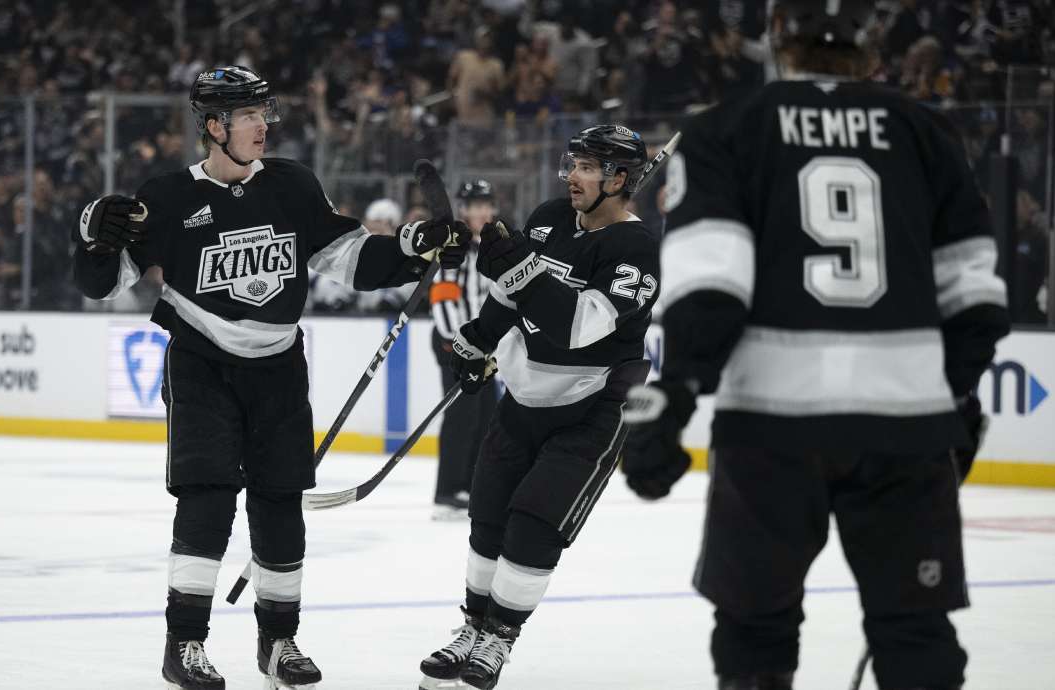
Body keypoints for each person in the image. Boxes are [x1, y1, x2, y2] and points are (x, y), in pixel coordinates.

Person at [622, 2, 1010, 689]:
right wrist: (955, 394)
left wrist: (678, 393)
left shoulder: (725, 129)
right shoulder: (926, 129)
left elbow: (712, 284)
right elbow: (973, 293)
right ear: (869, 47)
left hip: (771, 424)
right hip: (905, 425)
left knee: (754, 627)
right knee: (916, 631)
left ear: (778, 37)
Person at [71, 66, 469, 690]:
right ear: (213, 125)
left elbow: (349, 254)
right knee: (207, 500)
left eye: (264, 112)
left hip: (279, 369)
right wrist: (91, 239)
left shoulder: (291, 184)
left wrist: (415, 245)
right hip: (201, 363)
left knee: (281, 505)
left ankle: (279, 641)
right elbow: (103, 283)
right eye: (249, 114)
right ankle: (186, 645)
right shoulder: (169, 196)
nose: (264, 124)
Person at [417, 125, 659, 690]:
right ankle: (472, 629)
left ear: (619, 179)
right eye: (572, 162)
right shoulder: (550, 217)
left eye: (587, 166)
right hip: (522, 401)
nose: (571, 174)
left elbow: (577, 328)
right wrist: (476, 339)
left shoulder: (636, 249)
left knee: (533, 523)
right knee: (487, 519)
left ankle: (499, 638)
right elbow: (507, 293)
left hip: (590, 410)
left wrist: (522, 269)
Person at [429, 179, 498, 520]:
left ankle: (472, 487)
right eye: (476, 205)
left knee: (486, 416)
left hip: (484, 347)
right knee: (462, 416)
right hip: (452, 343)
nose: (482, 211)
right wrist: (459, 343)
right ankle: (447, 491)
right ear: (463, 209)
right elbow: (442, 297)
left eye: (487, 204)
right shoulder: (455, 246)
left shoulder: (493, 245)